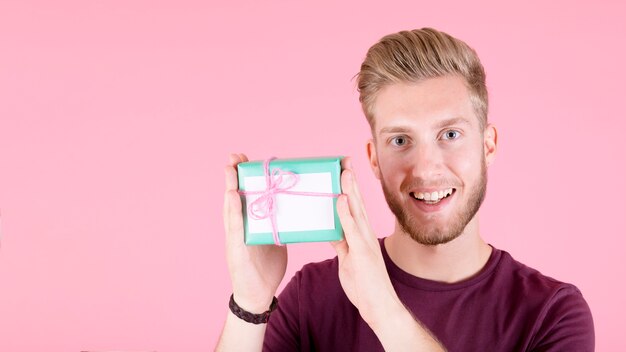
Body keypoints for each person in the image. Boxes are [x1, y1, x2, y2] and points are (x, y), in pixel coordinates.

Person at [216, 28, 594, 351]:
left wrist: (383, 310)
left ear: (488, 145)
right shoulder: (311, 297)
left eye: (450, 134)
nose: (426, 168)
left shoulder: (552, 313)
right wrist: (250, 303)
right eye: (400, 140)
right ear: (374, 159)